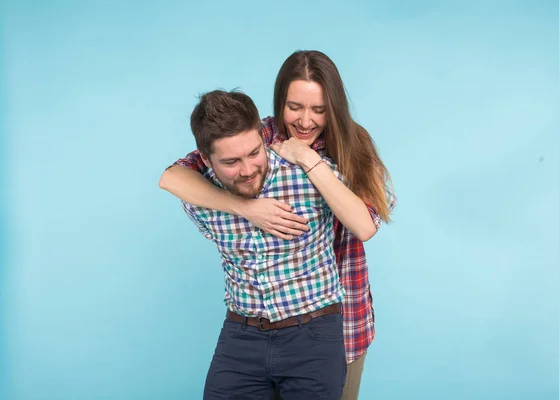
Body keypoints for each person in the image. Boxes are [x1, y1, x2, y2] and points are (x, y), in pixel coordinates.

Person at [159, 50, 396, 400]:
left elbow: (364, 226)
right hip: (257, 322)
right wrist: (248, 208)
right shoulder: (256, 135)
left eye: (319, 109)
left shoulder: (352, 146)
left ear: (335, 108)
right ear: (279, 102)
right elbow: (174, 177)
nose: (305, 120)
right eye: (294, 107)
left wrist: (307, 157)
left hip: (340, 314)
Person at [178, 89, 354, 399]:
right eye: (231, 162)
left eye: (253, 153)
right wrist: (243, 207)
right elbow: (170, 179)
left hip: (312, 333)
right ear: (205, 159)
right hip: (241, 335)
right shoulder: (200, 198)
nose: (247, 170)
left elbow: (373, 213)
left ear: (262, 135)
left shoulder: (309, 176)